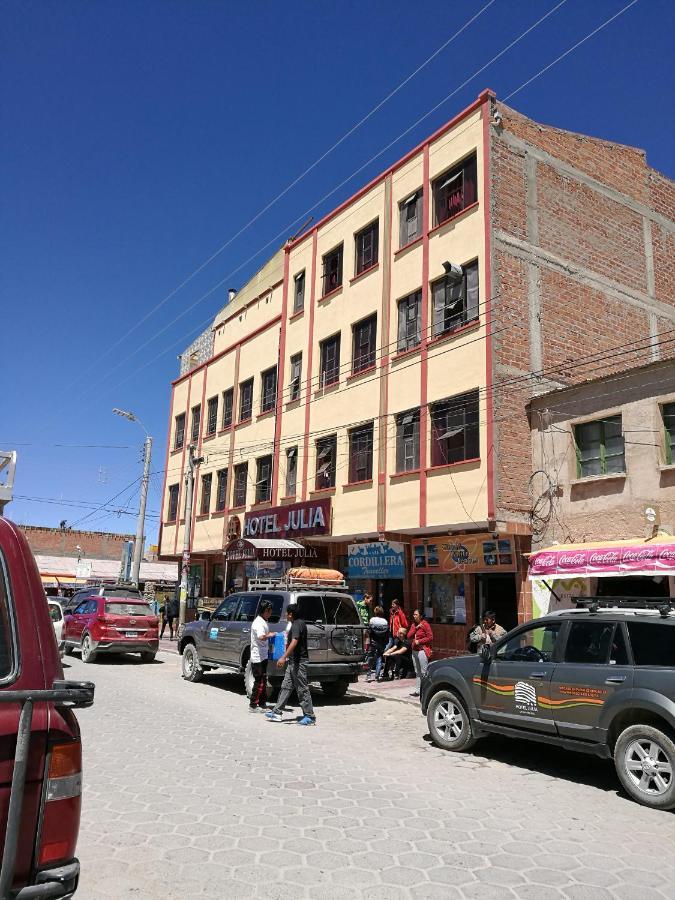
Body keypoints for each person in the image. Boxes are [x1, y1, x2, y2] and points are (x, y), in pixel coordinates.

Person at [265, 605, 316, 726]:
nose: (285, 615)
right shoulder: (296, 624)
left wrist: (283, 657)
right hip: (293, 661)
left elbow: (295, 641)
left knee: (302, 689)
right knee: (286, 686)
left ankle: (309, 716)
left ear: (291, 614)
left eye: (286, 613)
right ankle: (277, 712)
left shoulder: (297, 624)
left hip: (299, 662)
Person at [249, 600, 273, 713]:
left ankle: (262, 703)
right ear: (265, 611)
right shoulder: (258, 622)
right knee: (259, 681)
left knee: (263, 679)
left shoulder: (263, 621)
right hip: (257, 656)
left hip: (263, 655)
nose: (271, 613)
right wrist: (270, 635)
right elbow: (261, 637)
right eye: (269, 611)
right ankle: (253, 705)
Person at [407, 609, 433, 697]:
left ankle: (427, 690)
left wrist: (420, 641)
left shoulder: (425, 624)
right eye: (413, 614)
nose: (414, 616)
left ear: (420, 616)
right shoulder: (414, 625)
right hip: (414, 651)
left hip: (422, 650)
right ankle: (418, 690)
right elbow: (409, 635)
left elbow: (430, 637)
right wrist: (416, 628)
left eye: (416, 614)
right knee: (417, 672)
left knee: (424, 672)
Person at [367, 606, 389, 682]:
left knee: (370, 657)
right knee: (379, 658)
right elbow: (386, 634)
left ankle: (368, 675)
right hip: (381, 642)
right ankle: (377, 676)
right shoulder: (385, 622)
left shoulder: (372, 620)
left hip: (373, 641)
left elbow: (369, 631)